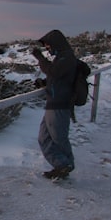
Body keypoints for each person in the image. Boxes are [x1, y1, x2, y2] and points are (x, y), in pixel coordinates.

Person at [31, 29, 77, 180]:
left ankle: (65, 164)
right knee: (44, 138)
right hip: (53, 104)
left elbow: (52, 71)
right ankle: (60, 165)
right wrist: (44, 84)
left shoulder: (67, 58)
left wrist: (39, 57)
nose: (48, 50)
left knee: (59, 138)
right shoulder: (61, 59)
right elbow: (57, 78)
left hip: (59, 105)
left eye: (48, 46)